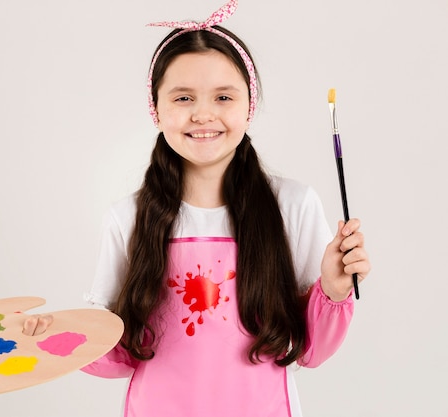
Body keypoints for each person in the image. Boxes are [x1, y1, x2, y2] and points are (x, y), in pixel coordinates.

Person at [80, 1, 371, 416]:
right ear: (156, 109)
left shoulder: (293, 206)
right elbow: (117, 358)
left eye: (223, 96)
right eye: (183, 97)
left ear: (248, 105)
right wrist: (64, 338)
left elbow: (312, 352)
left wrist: (334, 290)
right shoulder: (127, 217)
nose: (203, 114)